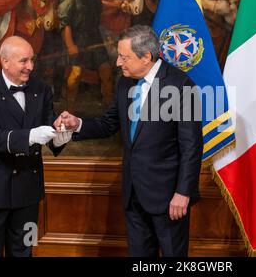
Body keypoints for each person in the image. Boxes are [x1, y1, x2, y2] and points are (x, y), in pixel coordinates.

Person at [54, 25, 203, 257]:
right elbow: (108, 124)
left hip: (168, 198)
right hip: (133, 194)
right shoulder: (126, 82)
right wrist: (77, 124)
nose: (118, 63)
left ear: (146, 57)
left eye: (124, 57)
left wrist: (183, 192)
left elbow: (191, 146)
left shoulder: (181, 86)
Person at [0, 36, 72, 257]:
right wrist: (31, 136)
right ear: (5, 62)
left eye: (32, 60)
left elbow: (49, 129)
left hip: (28, 194)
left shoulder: (42, 89)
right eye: (23, 61)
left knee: (25, 251)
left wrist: (62, 133)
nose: (30, 67)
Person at [58, 0, 113, 112]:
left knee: (106, 72)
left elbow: (100, 10)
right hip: (78, 41)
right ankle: (69, 109)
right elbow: (65, 25)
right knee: (76, 75)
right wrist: (70, 46)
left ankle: (110, 107)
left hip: (95, 38)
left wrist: (118, 5)